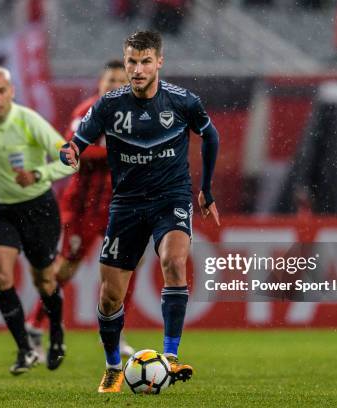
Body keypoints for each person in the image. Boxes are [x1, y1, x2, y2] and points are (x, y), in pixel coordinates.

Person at [60, 30, 220, 393]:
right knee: (110, 296)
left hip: (171, 197)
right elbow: (77, 143)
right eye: (132, 61)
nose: (137, 69)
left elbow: (210, 136)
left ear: (159, 62)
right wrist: (68, 153)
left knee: (175, 262)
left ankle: (171, 357)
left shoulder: (182, 101)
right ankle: (114, 366)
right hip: (127, 204)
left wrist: (206, 189)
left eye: (146, 61)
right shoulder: (108, 106)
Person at [0, 66, 76, 375]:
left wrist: (38, 174)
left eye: (0, 91)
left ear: (11, 92)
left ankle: (57, 336)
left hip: (37, 207)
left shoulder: (28, 121)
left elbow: (69, 159)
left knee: (44, 280)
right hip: (1, 209)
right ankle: (25, 350)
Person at [24, 60, 135, 360]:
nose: (114, 84)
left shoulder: (138, 115)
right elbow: (74, 151)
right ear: (100, 83)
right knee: (66, 268)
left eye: (120, 80)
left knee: (124, 270)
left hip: (121, 206)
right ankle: (34, 325)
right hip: (85, 206)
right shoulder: (86, 112)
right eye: (109, 79)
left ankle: (116, 332)